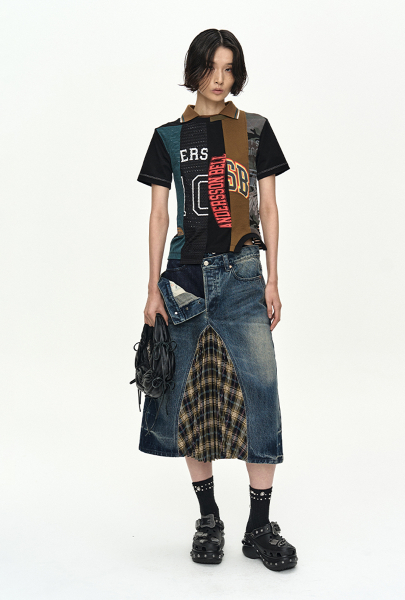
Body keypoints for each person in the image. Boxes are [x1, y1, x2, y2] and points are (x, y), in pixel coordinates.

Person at [136, 28, 298, 571]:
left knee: (261, 391)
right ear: (196, 70)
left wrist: (273, 280)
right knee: (189, 395)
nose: (220, 79)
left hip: (243, 271)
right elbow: (160, 214)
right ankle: (209, 519)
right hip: (183, 277)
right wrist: (151, 288)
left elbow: (268, 208)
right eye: (211, 68)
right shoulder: (167, 137)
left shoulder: (255, 130)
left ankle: (259, 526)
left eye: (229, 69)